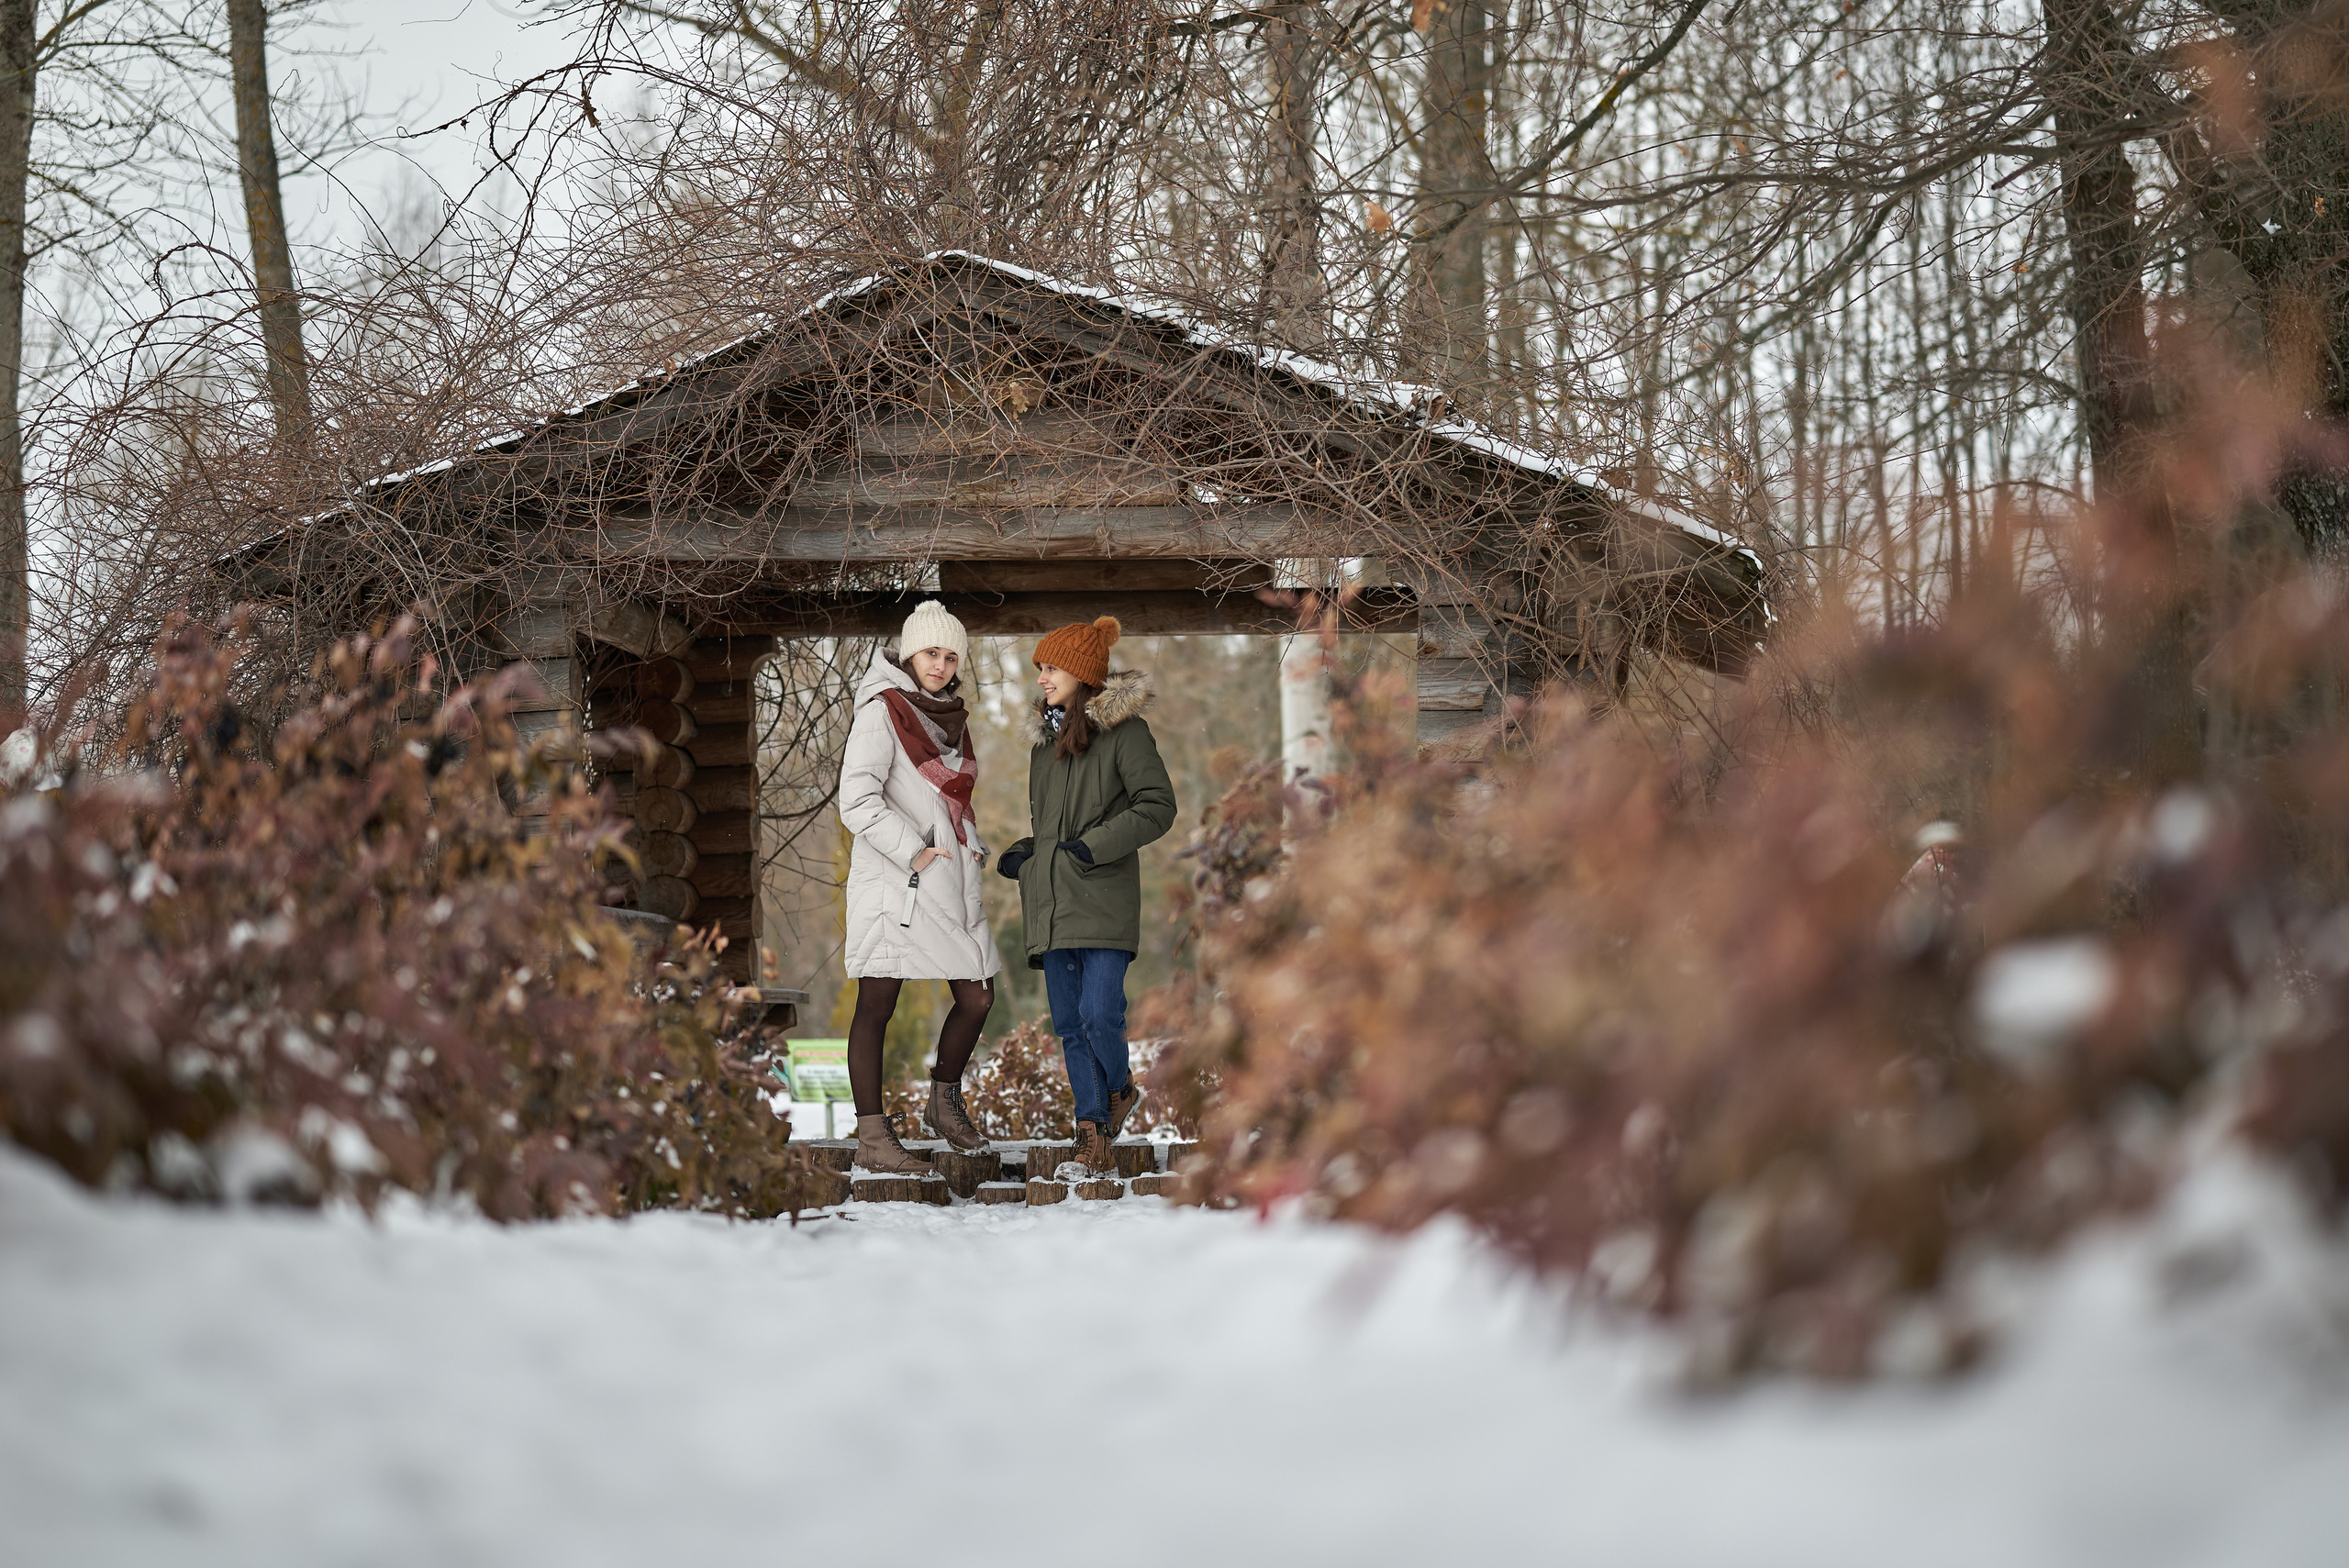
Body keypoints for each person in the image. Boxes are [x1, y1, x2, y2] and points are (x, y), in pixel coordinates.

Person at [996, 616, 1177, 1177]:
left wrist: (1091, 849)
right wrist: (1028, 854)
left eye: (1051, 667)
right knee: (1070, 1025)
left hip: (1102, 899)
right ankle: (1091, 1133)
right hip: (1051, 904)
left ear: (1080, 672)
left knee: (1101, 1015)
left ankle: (1120, 1087)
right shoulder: (1041, 750)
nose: (1042, 678)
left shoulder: (1126, 733)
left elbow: (1156, 807)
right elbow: (1053, 831)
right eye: (1040, 669)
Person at [837, 601, 999, 1174]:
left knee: (977, 994)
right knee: (878, 1003)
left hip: (947, 875)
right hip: (896, 879)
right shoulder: (882, 712)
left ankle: (942, 1100)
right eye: (932, 652)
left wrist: (969, 840)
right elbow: (856, 799)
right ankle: (874, 1137)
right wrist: (914, 848)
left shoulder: (951, 717)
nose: (942, 664)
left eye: (952, 655)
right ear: (910, 652)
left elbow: (950, 801)